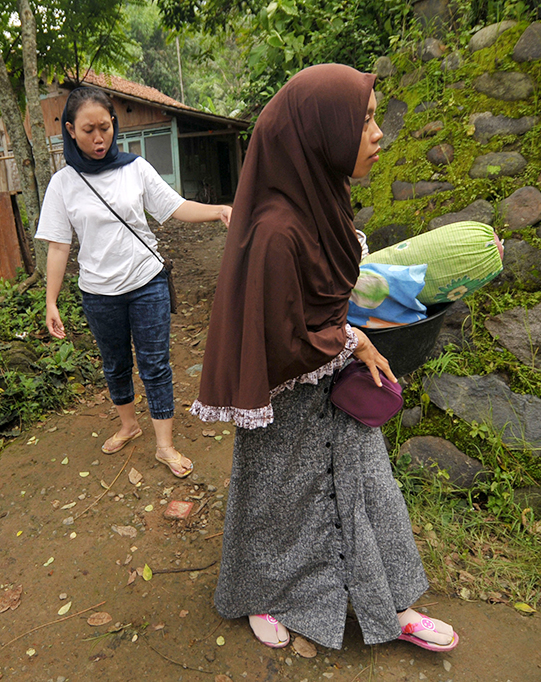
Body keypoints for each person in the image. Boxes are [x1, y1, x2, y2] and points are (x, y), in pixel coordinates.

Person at [190, 65, 459, 652]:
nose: (378, 133)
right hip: (285, 396)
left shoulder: (325, 198)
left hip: (334, 388)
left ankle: (392, 604)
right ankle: (262, 593)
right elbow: (280, 334)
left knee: (369, 489)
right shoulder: (276, 230)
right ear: (320, 133)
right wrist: (354, 341)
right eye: (362, 121)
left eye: (373, 119)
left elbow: (333, 290)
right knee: (278, 502)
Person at [39, 86, 232, 478]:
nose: (99, 138)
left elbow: (174, 207)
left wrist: (218, 211)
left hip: (147, 282)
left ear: (114, 124)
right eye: (89, 130)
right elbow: (59, 246)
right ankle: (128, 425)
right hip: (98, 293)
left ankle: (164, 446)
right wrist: (51, 301)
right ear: (70, 130)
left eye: (106, 127)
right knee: (115, 365)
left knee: (155, 365)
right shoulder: (63, 184)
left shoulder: (135, 168)